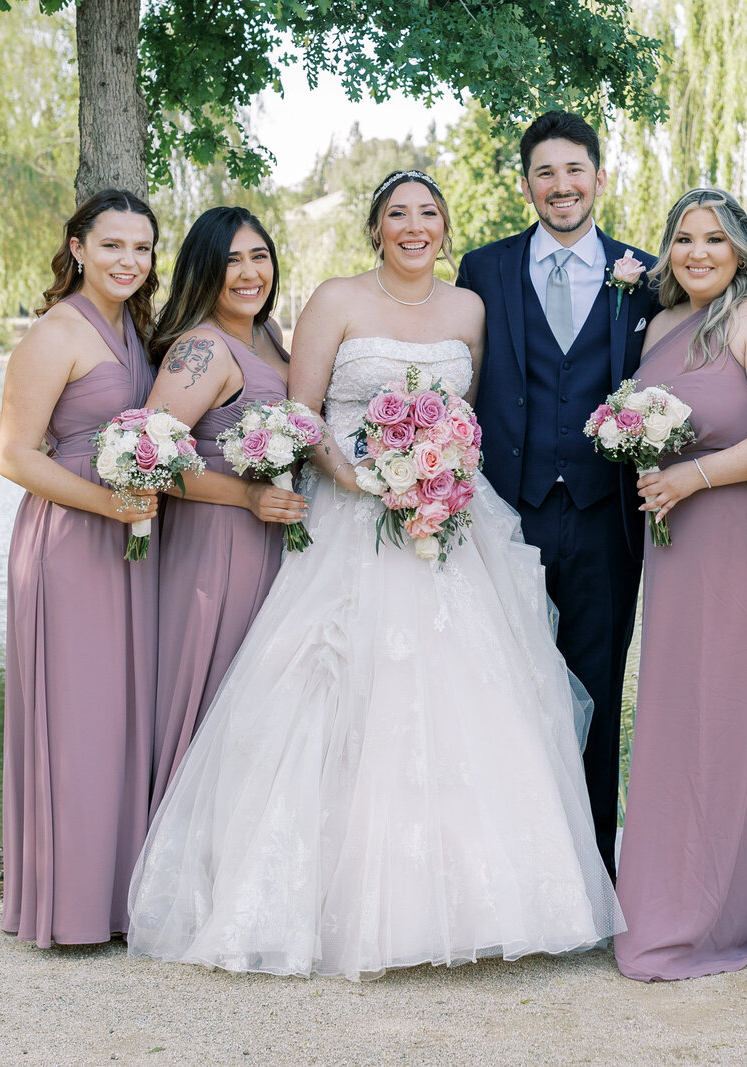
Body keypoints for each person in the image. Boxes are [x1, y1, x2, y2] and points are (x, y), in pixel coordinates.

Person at [125, 171, 621, 980]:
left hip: (447, 521)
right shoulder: (334, 300)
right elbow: (303, 407)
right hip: (350, 513)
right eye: (398, 214)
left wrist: (442, 468)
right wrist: (353, 475)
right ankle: (322, 903)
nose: (414, 226)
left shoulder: (469, 309)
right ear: (376, 227)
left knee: (475, 695)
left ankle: (480, 902)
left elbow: (479, 413)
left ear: (444, 225)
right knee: (334, 689)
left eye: (428, 212)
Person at [611, 188, 747, 981]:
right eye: (684, 239)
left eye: (715, 239)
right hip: (677, 548)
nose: (698, 252)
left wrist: (693, 475)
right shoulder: (661, 326)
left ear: (741, 248)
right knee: (679, 716)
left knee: (739, 712)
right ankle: (669, 896)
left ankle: (728, 913)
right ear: (667, 250)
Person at [456, 111, 660, 876]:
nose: (561, 185)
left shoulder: (646, 273)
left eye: (574, 170)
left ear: (599, 177)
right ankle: (512, 873)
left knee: (598, 690)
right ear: (526, 184)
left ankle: (592, 877)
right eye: (545, 172)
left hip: (607, 518)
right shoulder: (484, 268)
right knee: (504, 686)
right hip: (507, 512)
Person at [0, 189, 161, 947]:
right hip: (69, 541)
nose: (129, 260)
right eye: (113, 245)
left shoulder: (138, 329)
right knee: (79, 718)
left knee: (125, 715)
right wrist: (108, 505)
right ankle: (67, 907)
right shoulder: (56, 331)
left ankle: (118, 899)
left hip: (130, 540)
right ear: (77, 246)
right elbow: (15, 456)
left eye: (142, 247)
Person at [142, 207, 305, 814]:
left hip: (271, 539)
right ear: (203, 270)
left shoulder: (264, 336)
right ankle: (180, 872)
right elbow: (152, 455)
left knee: (260, 705)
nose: (248, 272)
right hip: (218, 544)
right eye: (231, 259)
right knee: (214, 696)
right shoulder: (203, 348)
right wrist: (247, 495)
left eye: (258, 256)